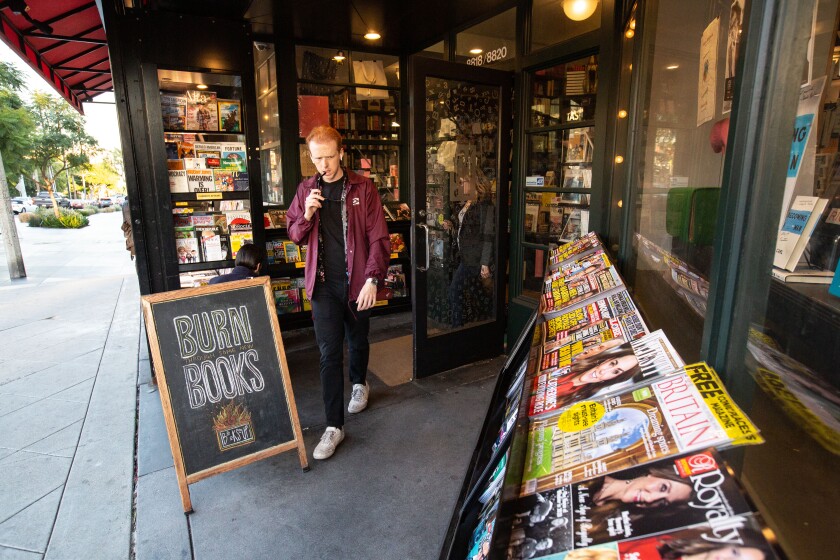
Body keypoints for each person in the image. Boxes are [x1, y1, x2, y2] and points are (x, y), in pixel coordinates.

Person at [286, 125, 389, 460]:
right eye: (317, 158)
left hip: (358, 282)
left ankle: (360, 382)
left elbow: (378, 237)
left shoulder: (364, 187)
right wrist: (307, 214)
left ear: (341, 153)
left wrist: (373, 279)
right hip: (324, 286)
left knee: (357, 338)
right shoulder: (306, 190)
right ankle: (334, 427)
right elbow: (294, 234)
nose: (324, 164)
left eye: (329, 156)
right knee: (329, 353)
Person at [444, 180, 495, 328]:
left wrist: (485, 263)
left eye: (464, 182)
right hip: (464, 255)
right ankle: (474, 326)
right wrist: (452, 226)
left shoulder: (485, 205)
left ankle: (457, 328)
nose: (461, 185)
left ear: (475, 183)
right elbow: (466, 228)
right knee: (475, 294)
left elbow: (488, 236)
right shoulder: (467, 202)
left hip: (475, 258)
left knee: (455, 290)